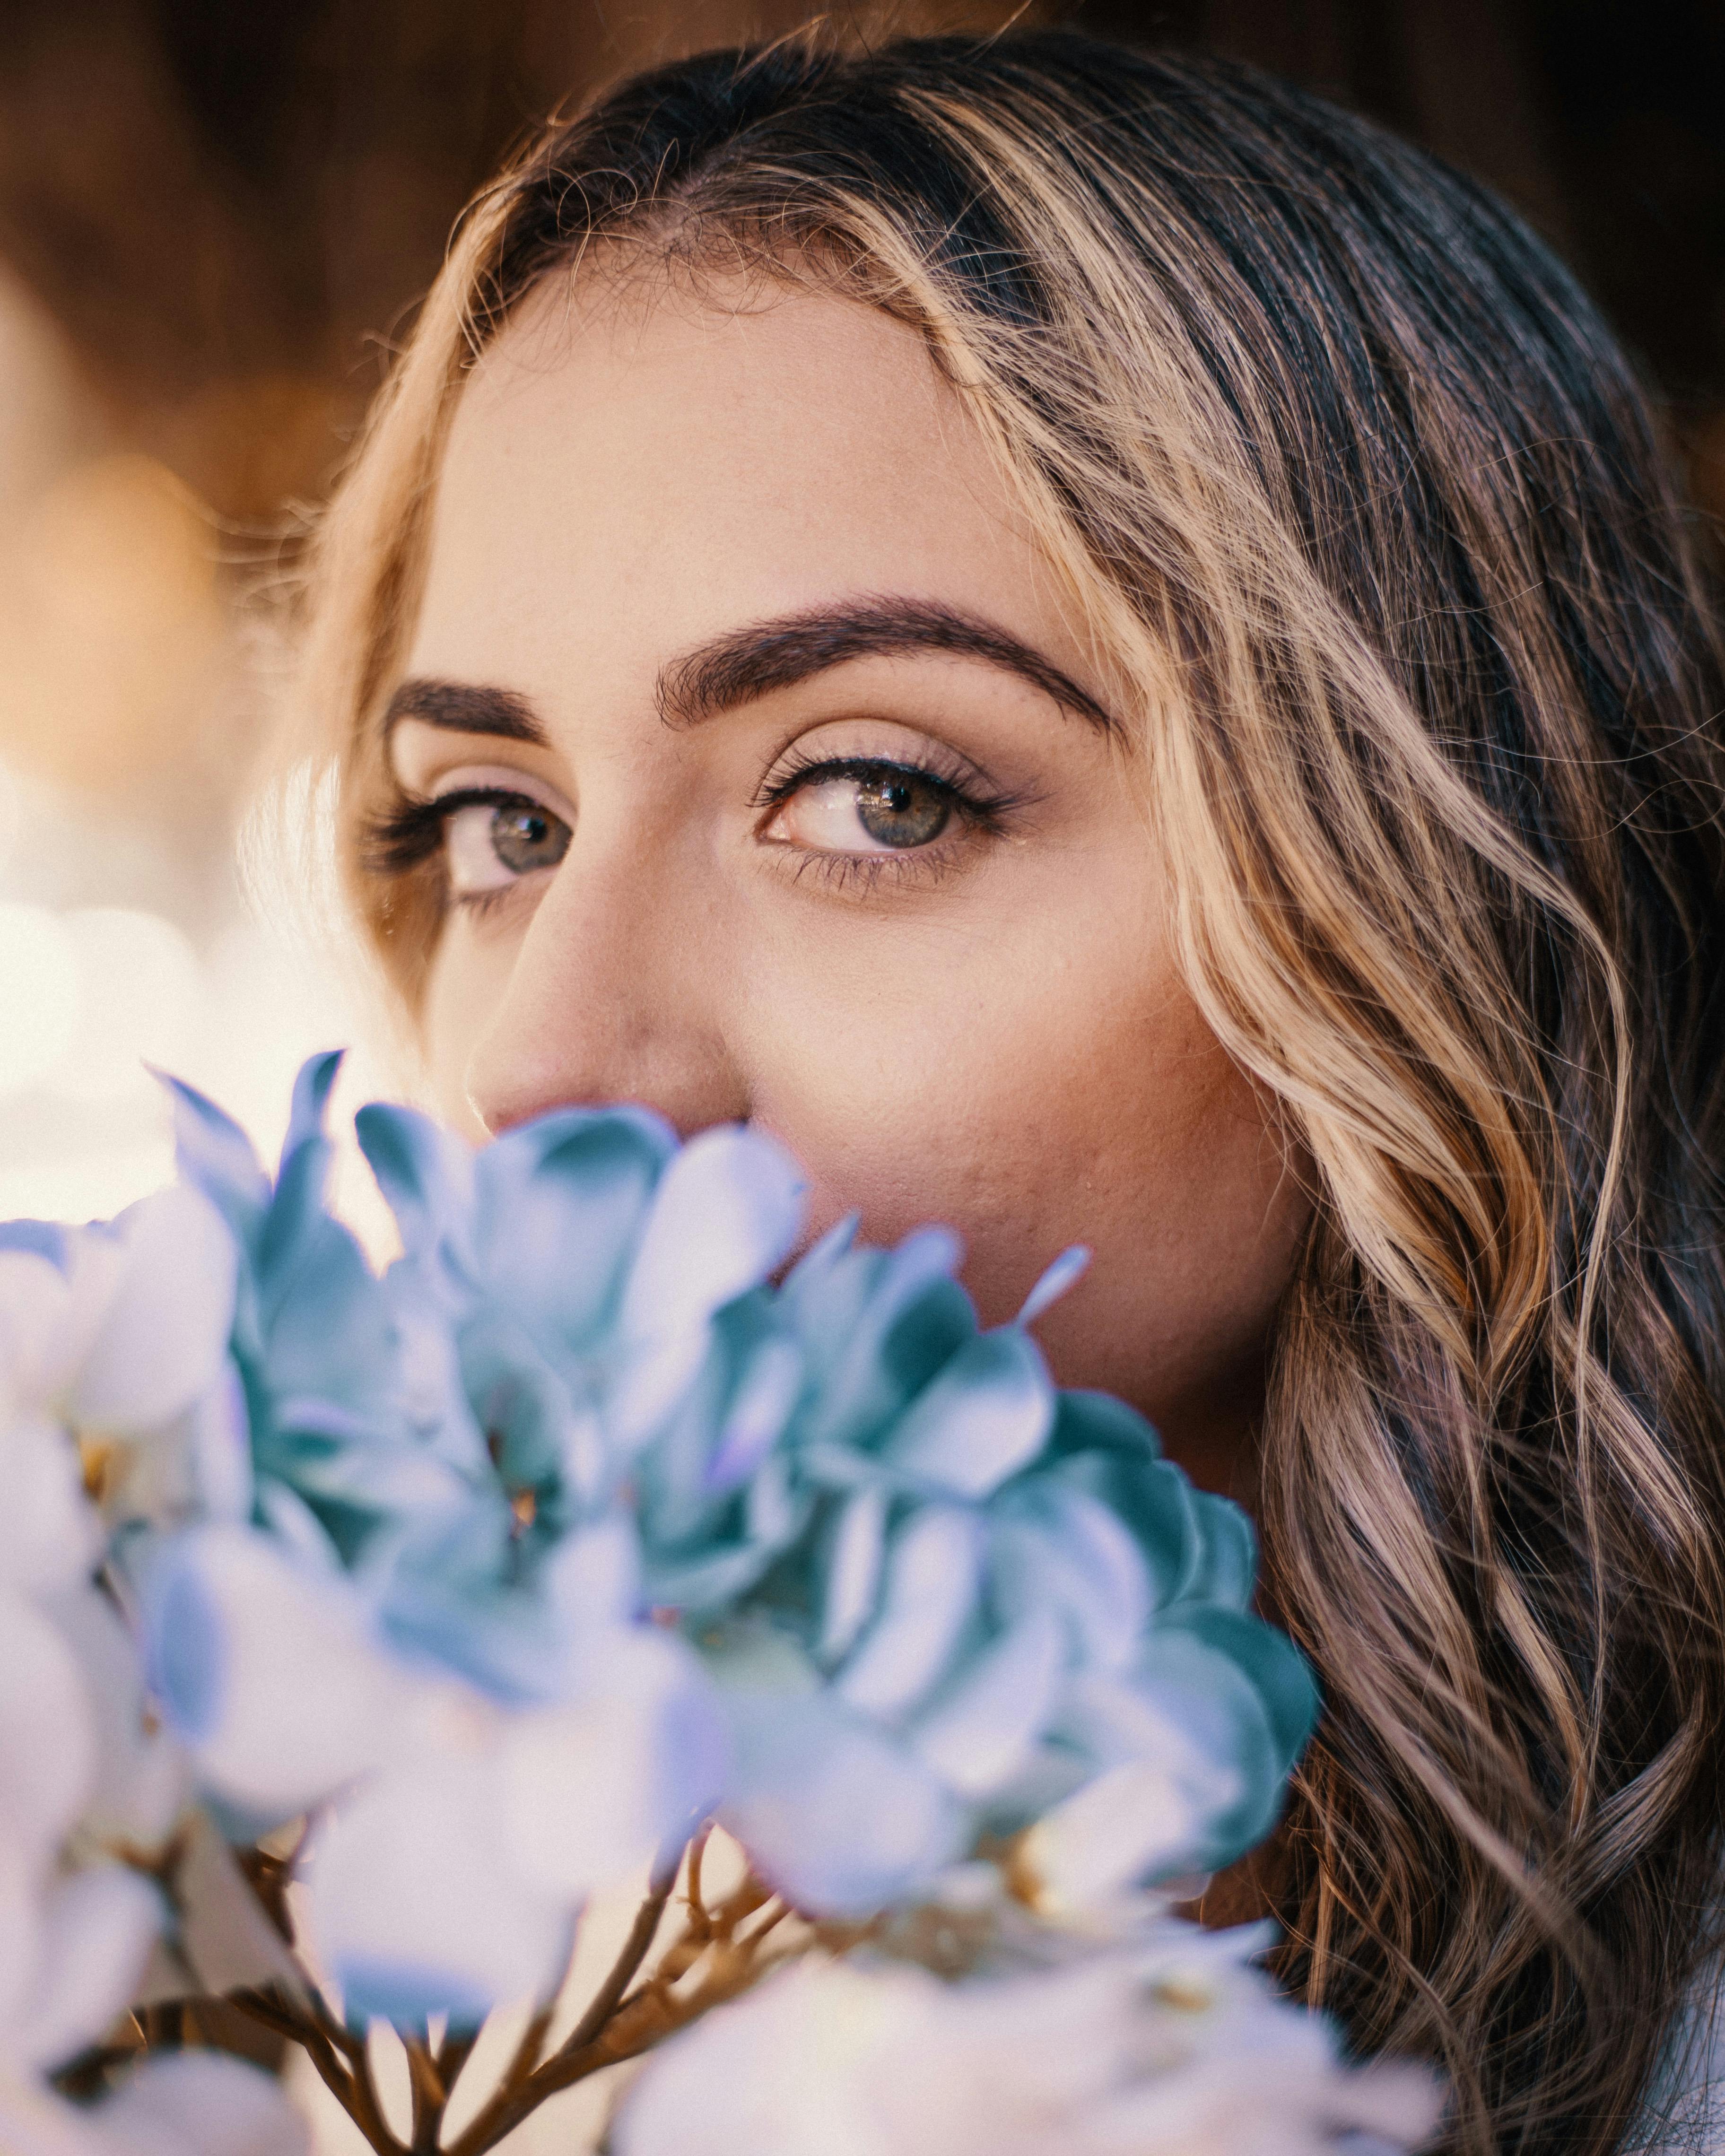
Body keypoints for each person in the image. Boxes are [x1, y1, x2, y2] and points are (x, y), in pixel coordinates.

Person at [289, 30, 1725, 2154]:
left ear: (1422, 897)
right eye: (505, 823)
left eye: (874, 792)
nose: (544, 1062)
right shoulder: (373, 1949)